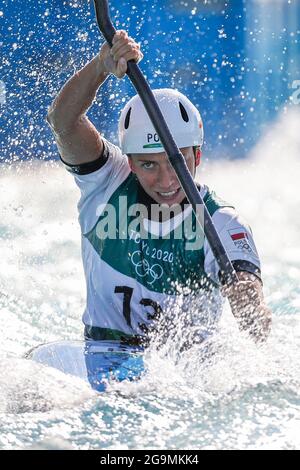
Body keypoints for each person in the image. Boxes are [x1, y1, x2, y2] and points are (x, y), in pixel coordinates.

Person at [47, 30, 271, 348]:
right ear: (130, 161)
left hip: (177, 378)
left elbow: (247, 287)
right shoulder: (106, 181)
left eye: (177, 163)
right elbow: (63, 120)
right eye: (148, 165)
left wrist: (248, 303)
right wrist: (100, 67)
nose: (166, 182)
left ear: (197, 156)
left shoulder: (222, 222)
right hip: (102, 356)